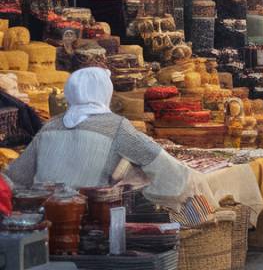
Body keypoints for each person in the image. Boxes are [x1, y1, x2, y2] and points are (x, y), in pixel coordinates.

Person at [5, 68, 191, 204]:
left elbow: (15, 178)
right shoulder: (116, 127)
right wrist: (141, 197)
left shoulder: (51, 126)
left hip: (45, 219)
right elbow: (172, 174)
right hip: (92, 217)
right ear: (105, 92)